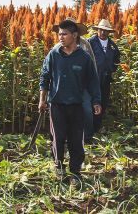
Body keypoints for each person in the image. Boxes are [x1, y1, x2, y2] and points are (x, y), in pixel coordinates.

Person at [39, 18, 101, 181]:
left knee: (76, 139)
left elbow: (92, 80)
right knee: (57, 138)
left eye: (64, 34)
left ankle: (75, 171)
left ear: (74, 35)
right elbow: (44, 76)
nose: (60, 37)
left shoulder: (84, 57)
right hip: (57, 104)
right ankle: (59, 167)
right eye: (59, 34)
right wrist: (42, 99)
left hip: (77, 104)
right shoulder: (54, 54)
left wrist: (96, 101)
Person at [53, 18, 98, 143]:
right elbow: (50, 69)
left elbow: (92, 63)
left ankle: (88, 137)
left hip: (82, 86)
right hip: (64, 87)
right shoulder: (57, 48)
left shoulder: (85, 44)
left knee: (87, 112)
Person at [88, 19, 120, 133]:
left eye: (106, 31)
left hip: (105, 79)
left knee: (103, 103)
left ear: (109, 32)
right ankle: (88, 129)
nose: (103, 32)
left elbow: (116, 61)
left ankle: (96, 128)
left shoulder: (113, 46)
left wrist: (110, 69)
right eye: (101, 30)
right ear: (98, 30)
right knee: (90, 103)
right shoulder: (90, 43)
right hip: (91, 79)